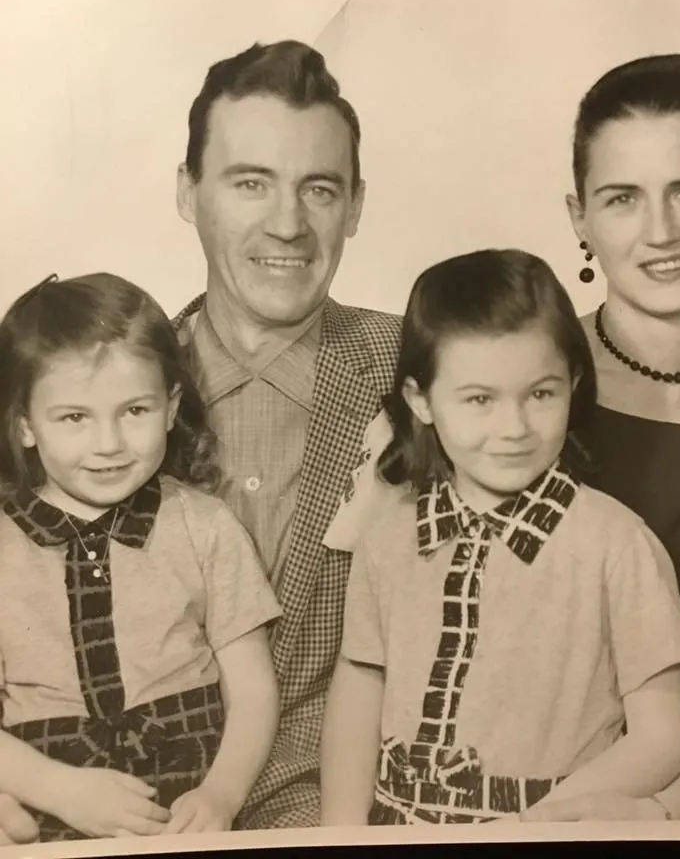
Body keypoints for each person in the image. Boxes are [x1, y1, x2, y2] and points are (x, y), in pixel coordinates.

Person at [325, 53, 680, 823]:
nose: (661, 231)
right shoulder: (494, 363)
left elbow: (662, 735)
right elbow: (365, 663)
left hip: (627, 812)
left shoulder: (611, 537)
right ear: (580, 219)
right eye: (622, 198)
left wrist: (661, 813)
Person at [172, 41, 402, 829]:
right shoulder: (93, 390)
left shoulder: (426, 371)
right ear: (187, 192)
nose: (288, 224)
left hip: (348, 810)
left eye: (319, 189)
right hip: (122, 807)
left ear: (356, 205)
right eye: (250, 183)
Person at [0, 272, 281, 842]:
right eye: (75, 417)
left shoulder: (204, 525)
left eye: (134, 411)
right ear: (25, 424)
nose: (109, 444)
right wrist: (58, 790)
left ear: (171, 407)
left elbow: (252, 691)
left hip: (187, 813)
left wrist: (222, 795)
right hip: (47, 808)